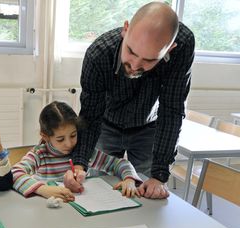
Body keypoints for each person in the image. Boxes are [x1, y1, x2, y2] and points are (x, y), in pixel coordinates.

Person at [67, 2, 195, 199]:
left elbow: (172, 108)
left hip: (149, 129)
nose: (135, 65)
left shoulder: (183, 47)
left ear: (170, 48)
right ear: (125, 30)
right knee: (99, 193)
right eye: (132, 52)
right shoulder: (99, 54)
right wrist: (80, 162)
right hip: (106, 125)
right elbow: (91, 114)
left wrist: (159, 175)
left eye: (149, 60)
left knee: (147, 195)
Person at [12, 101, 142, 202]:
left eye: (73, 135)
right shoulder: (40, 155)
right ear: (46, 136)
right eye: (60, 139)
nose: (69, 144)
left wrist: (129, 179)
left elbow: (119, 163)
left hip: (81, 211)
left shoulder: (83, 152)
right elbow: (14, 173)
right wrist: (44, 190)